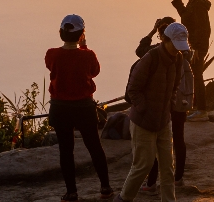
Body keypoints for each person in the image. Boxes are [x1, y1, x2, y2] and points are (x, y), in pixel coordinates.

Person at [113, 23, 188, 202]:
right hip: (143, 122)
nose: (178, 50)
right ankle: (123, 198)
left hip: (163, 121)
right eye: (175, 45)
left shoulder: (177, 60)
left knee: (167, 167)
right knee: (142, 165)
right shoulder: (150, 58)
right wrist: (144, 109)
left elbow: (175, 85)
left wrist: (169, 105)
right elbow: (133, 90)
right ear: (165, 40)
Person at [45, 14, 112, 201]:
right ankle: (105, 187)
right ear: (82, 33)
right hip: (84, 107)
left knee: (66, 150)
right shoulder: (88, 55)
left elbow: (51, 67)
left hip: (60, 108)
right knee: (95, 147)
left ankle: (72, 192)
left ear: (60, 33)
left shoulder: (52, 54)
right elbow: (94, 71)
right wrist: (83, 46)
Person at [136, 20, 194, 191]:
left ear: (163, 36)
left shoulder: (156, 53)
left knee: (157, 141)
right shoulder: (186, 54)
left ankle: (151, 182)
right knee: (178, 138)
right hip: (181, 100)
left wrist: (152, 30)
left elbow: (139, 51)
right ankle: (178, 178)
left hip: (166, 102)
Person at [168, 0, 211, 113]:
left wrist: (196, 48)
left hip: (198, 46)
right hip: (195, 44)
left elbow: (202, 28)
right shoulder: (194, 2)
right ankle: (197, 108)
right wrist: (178, 2)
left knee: (197, 76)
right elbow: (186, 18)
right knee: (195, 75)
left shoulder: (198, 5)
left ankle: (201, 110)